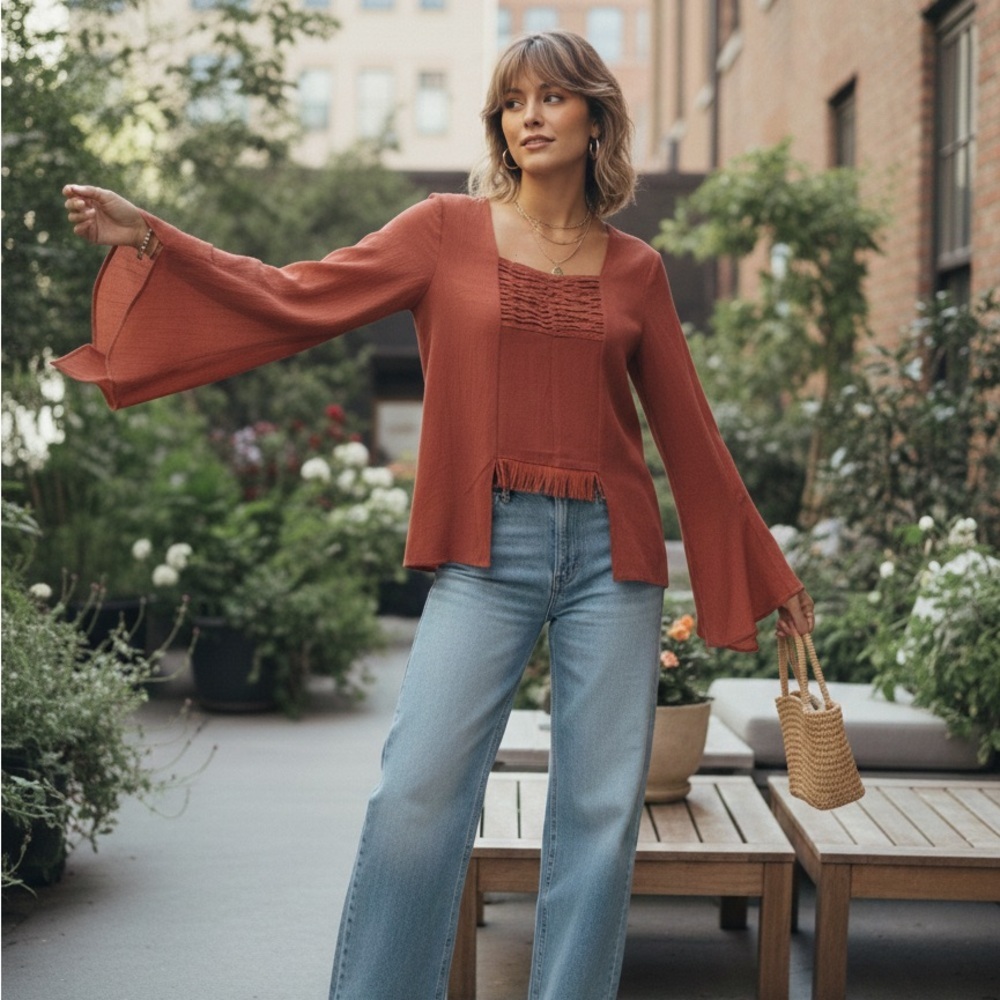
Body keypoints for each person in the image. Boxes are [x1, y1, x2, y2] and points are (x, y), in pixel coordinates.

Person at [60, 29, 813, 1000]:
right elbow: (293, 295)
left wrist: (771, 574)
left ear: (594, 118)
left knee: (596, 815)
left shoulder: (637, 270)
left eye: (550, 98)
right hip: (484, 550)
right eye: (512, 102)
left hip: (610, 560)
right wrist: (154, 234)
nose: (529, 116)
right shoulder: (441, 231)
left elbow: (689, 433)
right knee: (414, 794)